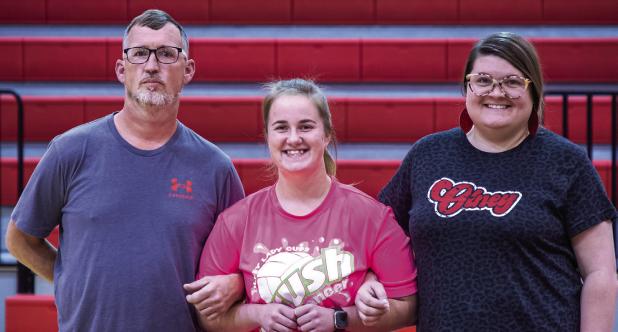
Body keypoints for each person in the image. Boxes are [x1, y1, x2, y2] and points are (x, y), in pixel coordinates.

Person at [5, 9, 245, 331]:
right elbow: (21, 239)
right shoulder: (70, 151)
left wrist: (236, 283)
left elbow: (241, 266)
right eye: (140, 53)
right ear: (121, 69)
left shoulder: (216, 168)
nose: (151, 65)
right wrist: (69, 279)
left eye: (166, 54)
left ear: (187, 70)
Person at [364, 32, 617, 331]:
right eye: (483, 80)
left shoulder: (566, 162)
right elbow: (380, 234)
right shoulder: (428, 156)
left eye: (512, 82)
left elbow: (600, 273)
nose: (496, 92)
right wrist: (369, 279)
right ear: (467, 87)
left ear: (533, 90)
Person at [193, 78, 418, 331]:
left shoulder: (370, 217)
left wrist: (339, 319)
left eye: (305, 126)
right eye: (281, 128)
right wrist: (258, 314)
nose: (293, 138)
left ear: (326, 135)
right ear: (267, 137)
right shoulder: (236, 221)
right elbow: (206, 317)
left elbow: (408, 306)